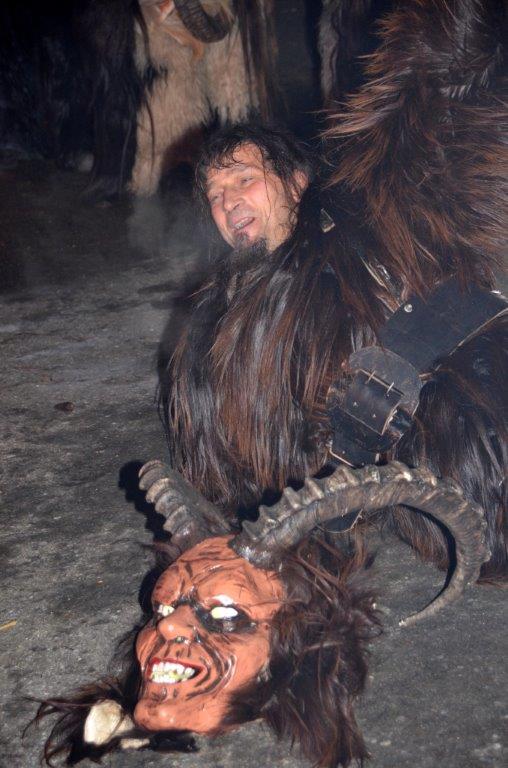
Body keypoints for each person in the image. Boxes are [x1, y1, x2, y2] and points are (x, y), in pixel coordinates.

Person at [162, 0, 507, 580]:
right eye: (216, 196)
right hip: (382, 494)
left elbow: (443, 92)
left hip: (466, 442)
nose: (229, 202)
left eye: (244, 179)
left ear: (297, 183)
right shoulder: (216, 317)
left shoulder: (368, 215)